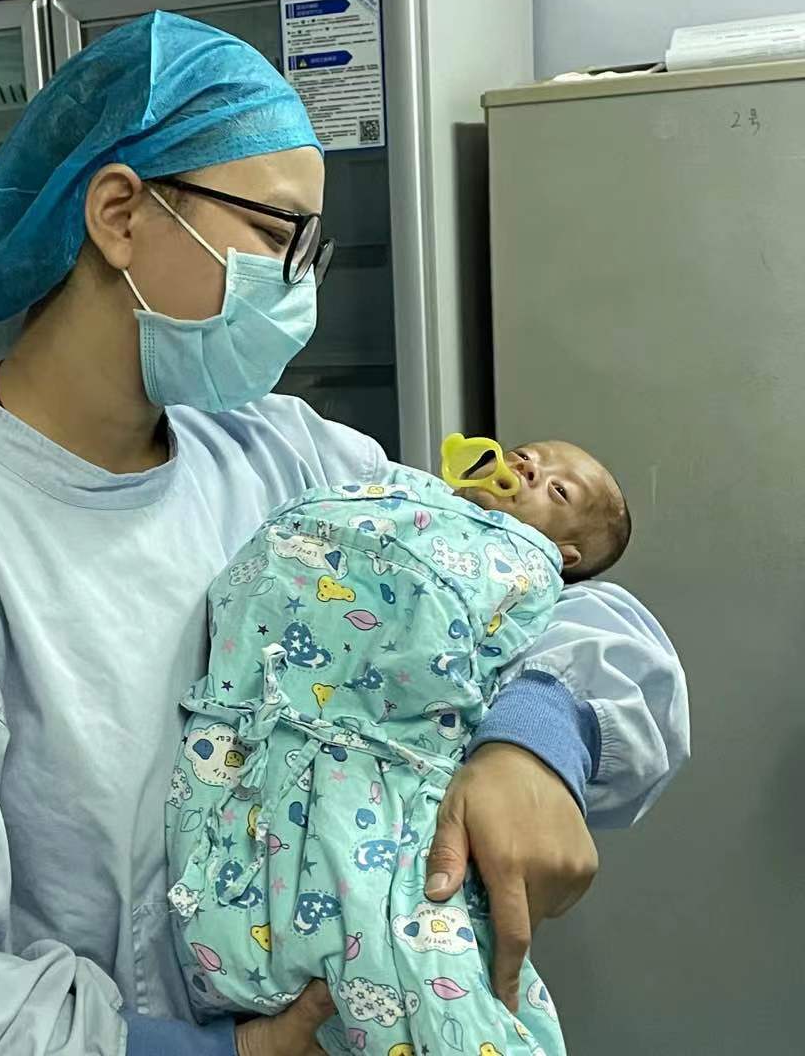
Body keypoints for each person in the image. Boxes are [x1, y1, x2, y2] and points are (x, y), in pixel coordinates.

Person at [0, 13, 688, 1056]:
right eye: (276, 234)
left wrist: (537, 739)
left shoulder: (276, 455)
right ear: (120, 212)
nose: (301, 284)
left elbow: (550, 599)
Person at [166, 439, 630, 1055]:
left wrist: (534, 736)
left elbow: (609, 645)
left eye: (557, 489)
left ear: (565, 555)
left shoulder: (527, 572)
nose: (528, 469)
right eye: (527, 455)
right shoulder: (395, 492)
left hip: (384, 776)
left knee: (409, 959)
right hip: (250, 737)